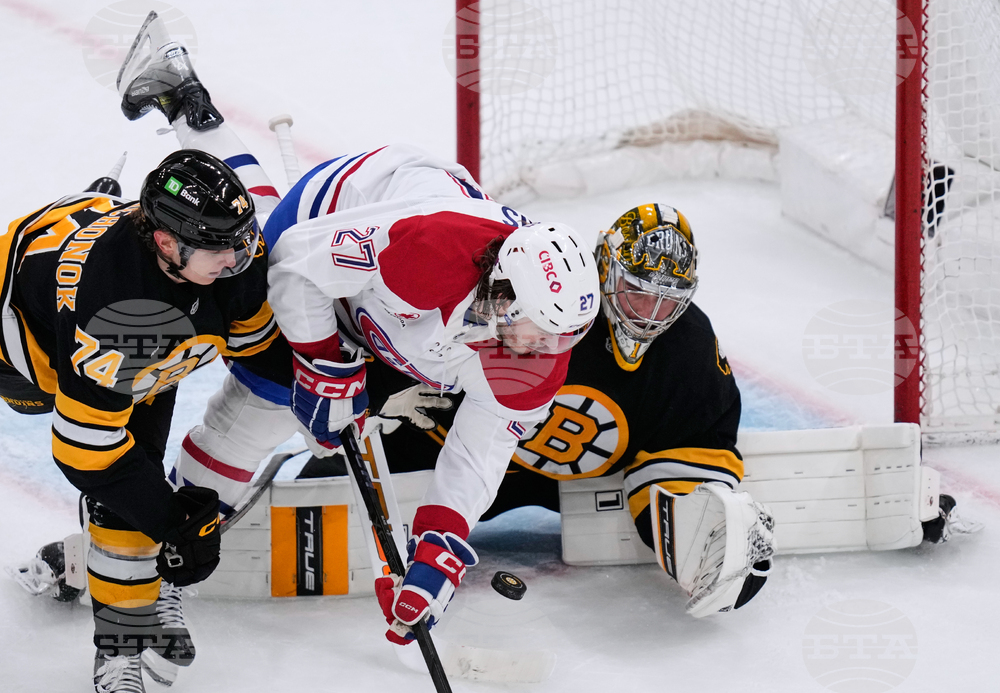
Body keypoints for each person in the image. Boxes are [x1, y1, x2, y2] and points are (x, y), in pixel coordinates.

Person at [0, 47, 293, 689]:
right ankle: (119, 646)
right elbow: (87, 453)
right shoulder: (123, 322)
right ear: (165, 242)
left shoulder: (228, 255)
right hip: (22, 341)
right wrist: (173, 522)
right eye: (221, 249)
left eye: (242, 240)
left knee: (138, 487)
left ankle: (129, 606)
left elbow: (260, 349)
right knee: (126, 483)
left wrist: (338, 379)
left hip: (93, 254)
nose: (241, 259)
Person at [358, 203, 776, 618]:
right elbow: (421, 326)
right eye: (637, 292)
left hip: (558, 479)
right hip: (444, 450)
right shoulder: (543, 304)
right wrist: (378, 385)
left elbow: (690, 447)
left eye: (665, 302)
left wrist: (699, 530)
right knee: (354, 447)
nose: (648, 316)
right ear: (605, 267)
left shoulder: (688, 350)